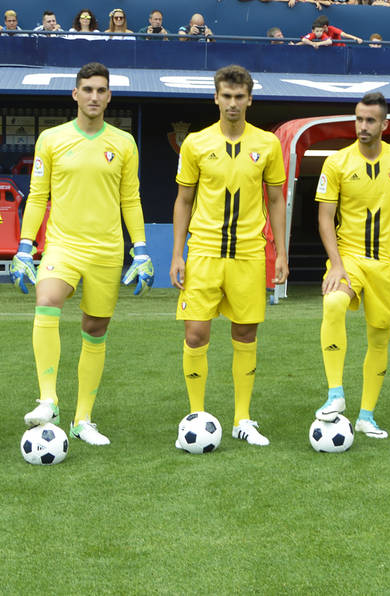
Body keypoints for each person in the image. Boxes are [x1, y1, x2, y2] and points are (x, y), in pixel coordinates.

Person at [13, 62, 152, 445]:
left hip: (107, 250)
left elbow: (131, 199)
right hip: (63, 245)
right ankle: (48, 400)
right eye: (87, 89)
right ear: (75, 94)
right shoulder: (52, 139)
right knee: (47, 299)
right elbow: (38, 196)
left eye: (101, 90)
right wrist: (26, 246)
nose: (94, 96)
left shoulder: (123, 143)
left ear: (109, 97)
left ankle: (82, 420)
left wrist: (140, 250)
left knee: (95, 329)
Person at [170, 65, 288, 447]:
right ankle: (196, 414)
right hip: (203, 251)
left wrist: (280, 252)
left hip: (250, 253)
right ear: (216, 98)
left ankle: (242, 418)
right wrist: (177, 254)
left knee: (245, 331)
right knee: (196, 332)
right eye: (227, 96)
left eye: (240, 97)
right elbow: (183, 199)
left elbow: (275, 199)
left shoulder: (268, 144)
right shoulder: (196, 144)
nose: (233, 103)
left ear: (249, 99)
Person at [313, 93, 390, 439]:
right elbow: (325, 218)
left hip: (387, 263)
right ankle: (335, 394)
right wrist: (336, 265)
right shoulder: (336, 162)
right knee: (334, 302)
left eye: (369, 121)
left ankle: (366, 416)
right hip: (349, 256)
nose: (362, 126)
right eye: (358, 119)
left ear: (384, 124)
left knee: (379, 338)